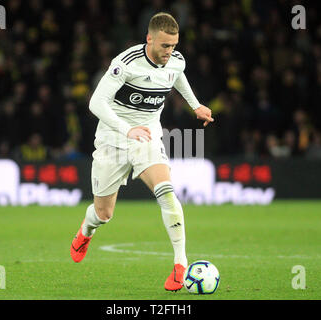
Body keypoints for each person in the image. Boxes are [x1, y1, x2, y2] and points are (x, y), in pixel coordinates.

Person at [70, 12, 214, 292]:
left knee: (167, 192)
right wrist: (126, 129)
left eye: (173, 46)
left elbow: (178, 76)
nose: (169, 52)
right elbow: (96, 103)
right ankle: (86, 230)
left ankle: (180, 264)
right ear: (149, 39)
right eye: (164, 46)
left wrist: (195, 105)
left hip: (147, 136)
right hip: (113, 138)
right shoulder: (125, 64)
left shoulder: (176, 60)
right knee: (103, 213)